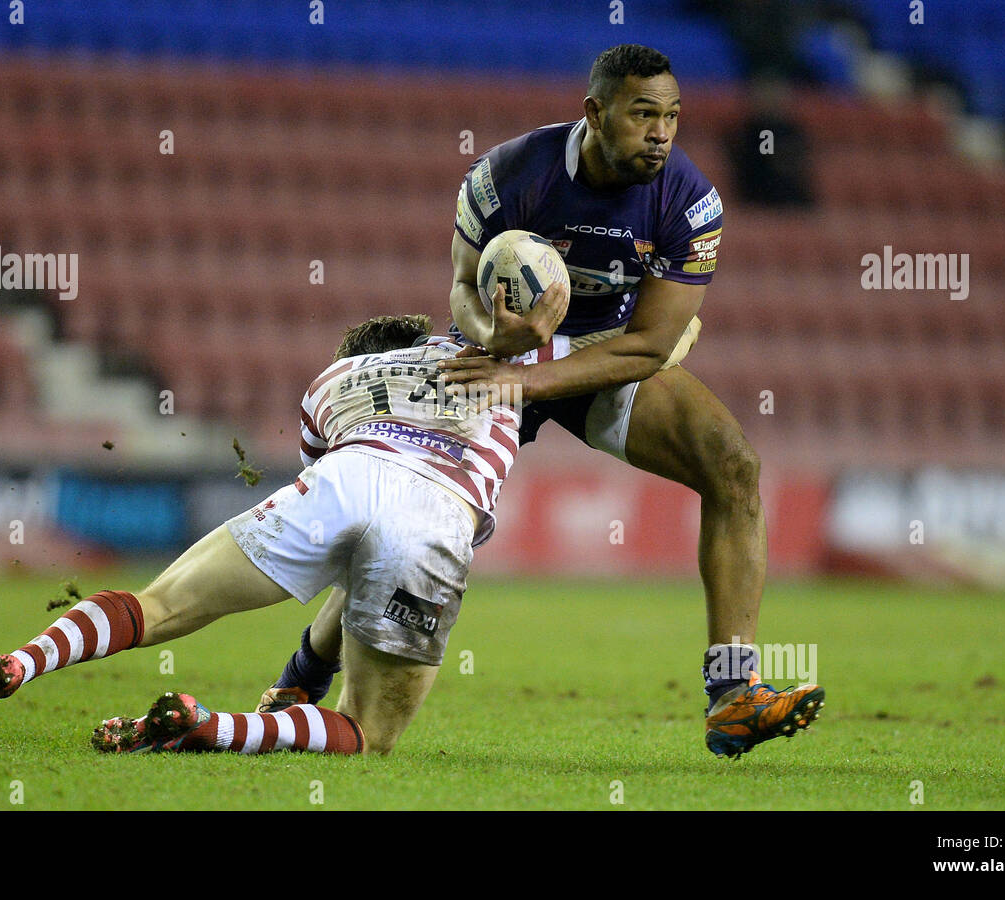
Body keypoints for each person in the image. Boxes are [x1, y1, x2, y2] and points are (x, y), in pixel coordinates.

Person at [260, 44, 824, 759]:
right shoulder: (506, 176)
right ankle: (300, 678)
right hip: (502, 351)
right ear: (594, 113)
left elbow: (651, 347)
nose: (661, 132)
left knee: (735, 468)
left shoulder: (690, 200)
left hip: (601, 357)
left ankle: (734, 693)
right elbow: (463, 291)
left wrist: (537, 378)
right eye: (643, 113)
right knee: (422, 526)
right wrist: (501, 335)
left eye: (672, 117)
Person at [0, 314, 544, 756]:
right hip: (437, 508)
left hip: (345, 476)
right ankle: (211, 727)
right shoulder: (499, 370)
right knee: (365, 732)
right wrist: (303, 678)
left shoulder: (333, 383)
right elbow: (364, 567)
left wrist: (301, 672)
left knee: (161, 604)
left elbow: (348, 538)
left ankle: (17, 664)